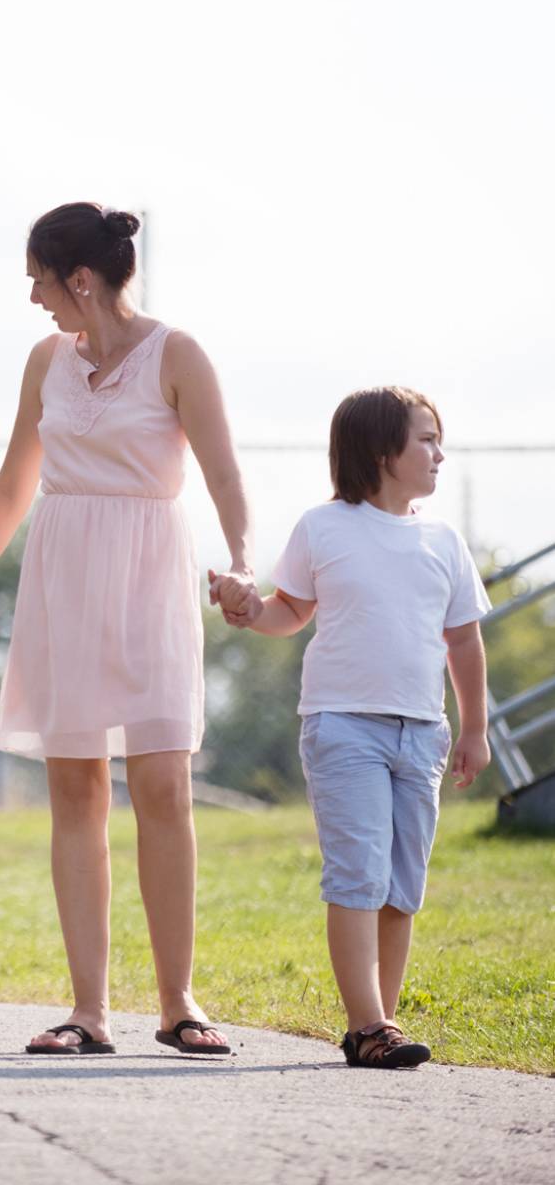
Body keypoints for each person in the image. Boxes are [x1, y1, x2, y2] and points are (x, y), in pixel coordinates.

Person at [0, 203, 251, 1056]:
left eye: (38, 278)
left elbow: (221, 472)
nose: (33, 296)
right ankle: (89, 1008)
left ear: (80, 279)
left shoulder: (178, 354)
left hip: (149, 574)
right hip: (62, 574)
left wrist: (243, 558)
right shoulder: (45, 361)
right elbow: (9, 487)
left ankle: (178, 1000)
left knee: (164, 786)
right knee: (75, 790)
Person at [211, 386, 490, 1069]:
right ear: (380, 449)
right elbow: (289, 611)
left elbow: (464, 640)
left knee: (401, 885)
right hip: (343, 728)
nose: (438, 452)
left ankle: (378, 1025)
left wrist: (474, 727)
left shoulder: (443, 540)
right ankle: (369, 1023)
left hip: (422, 732)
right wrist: (248, 610)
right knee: (358, 875)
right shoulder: (324, 526)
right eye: (426, 438)